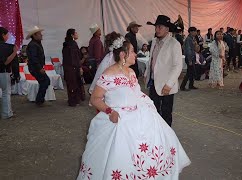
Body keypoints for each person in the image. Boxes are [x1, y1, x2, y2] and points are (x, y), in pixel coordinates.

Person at [77, 33, 190, 180]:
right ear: (123, 54)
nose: (135, 54)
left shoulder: (131, 72)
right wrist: (110, 111)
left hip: (140, 113)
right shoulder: (108, 74)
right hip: (120, 120)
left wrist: (147, 101)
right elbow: (95, 99)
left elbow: (135, 93)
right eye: (132, 51)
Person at [144, 15, 183, 127]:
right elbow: (151, 59)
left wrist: (169, 84)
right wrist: (147, 74)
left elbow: (177, 66)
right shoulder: (154, 41)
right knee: (153, 110)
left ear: (167, 29)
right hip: (153, 83)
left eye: (160, 27)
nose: (157, 29)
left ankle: (167, 138)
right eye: (156, 27)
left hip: (166, 86)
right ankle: (156, 134)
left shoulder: (174, 44)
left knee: (166, 113)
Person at [26, 26, 50, 106]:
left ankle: (39, 100)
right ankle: (39, 100)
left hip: (35, 67)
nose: (41, 35)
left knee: (44, 81)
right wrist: (39, 68)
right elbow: (34, 58)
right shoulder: (33, 45)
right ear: (35, 35)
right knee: (45, 81)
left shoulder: (36, 44)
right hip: (35, 68)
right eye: (40, 34)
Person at [62, 29, 84, 106]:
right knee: (74, 84)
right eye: (76, 33)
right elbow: (75, 58)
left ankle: (73, 100)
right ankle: (74, 101)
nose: (77, 34)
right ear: (72, 35)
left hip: (68, 68)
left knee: (71, 84)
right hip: (73, 68)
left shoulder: (66, 44)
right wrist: (79, 67)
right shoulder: (72, 44)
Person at [0, 27, 18, 119]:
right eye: (7, 34)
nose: (8, 36)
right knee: (6, 93)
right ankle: (6, 113)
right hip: (3, 73)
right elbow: (6, 62)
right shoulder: (9, 47)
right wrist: (15, 52)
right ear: (3, 35)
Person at [180, 27, 198, 91]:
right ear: (191, 32)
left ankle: (191, 85)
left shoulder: (193, 38)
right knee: (189, 72)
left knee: (191, 72)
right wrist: (190, 59)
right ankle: (183, 86)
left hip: (192, 57)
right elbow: (188, 50)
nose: (196, 32)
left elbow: (195, 48)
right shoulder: (188, 39)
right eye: (195, 31)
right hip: (189, 58)